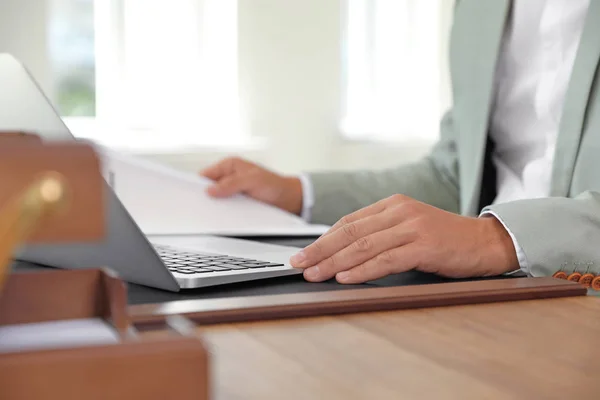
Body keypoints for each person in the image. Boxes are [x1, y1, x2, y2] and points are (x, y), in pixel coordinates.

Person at [201, 0, 600, 287]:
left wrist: (496, 239)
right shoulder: (479, 11)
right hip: (491, 292)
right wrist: (295, 194)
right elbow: (455, 176)